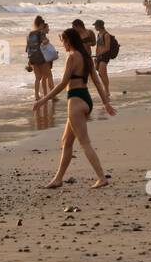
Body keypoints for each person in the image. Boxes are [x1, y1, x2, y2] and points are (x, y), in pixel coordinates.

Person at [36, 28, 116, 189]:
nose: (63, 45)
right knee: (66, 142)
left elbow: (63, 84)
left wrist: (43, 100)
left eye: (64, 41)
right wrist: (105, 102)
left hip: (75, 101)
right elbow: (97, 81)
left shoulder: (72, 57)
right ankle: (58, 179)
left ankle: (102, 177)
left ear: (69, 41)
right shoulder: (86, 57)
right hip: (86, 99)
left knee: (84, 142)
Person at [26, 15, 52, 99]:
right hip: (41, 58)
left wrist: (29, 60)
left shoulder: (30, 34)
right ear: (41, 24)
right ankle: (51, 95)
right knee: (48, 75)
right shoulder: (40, 33)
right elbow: (44, 42)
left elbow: (28, 48)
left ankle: (36, 95)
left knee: (37, 77)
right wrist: (47, 41)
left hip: (32, 58)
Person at [92, 20, 113, 96]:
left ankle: (107, 90)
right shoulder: (98, 34)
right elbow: (98, 46)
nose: (94, 27)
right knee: (101, 73)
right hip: (99, 56)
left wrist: (99, 54)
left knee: (102, 72)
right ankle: (105, 88)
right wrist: (96, 55)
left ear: (99, 26)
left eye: (95, 26)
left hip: (105, 56)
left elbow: (107, 48)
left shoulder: (106, 35)